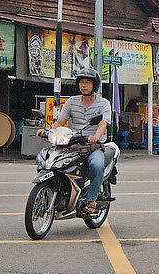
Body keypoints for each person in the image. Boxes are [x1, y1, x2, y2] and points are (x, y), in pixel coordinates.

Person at [38, 68, 111, 215]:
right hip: (73, 142)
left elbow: (103, 123)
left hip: (93, 145)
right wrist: (47, 130)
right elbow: (60, 121)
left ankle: (91, 200)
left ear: (94, 85)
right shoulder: (72, 102)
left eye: (87, 82)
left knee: (96, 165)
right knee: (48, 159)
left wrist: (96, 136)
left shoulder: (104, 103)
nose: (84, 85)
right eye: (81, 82)